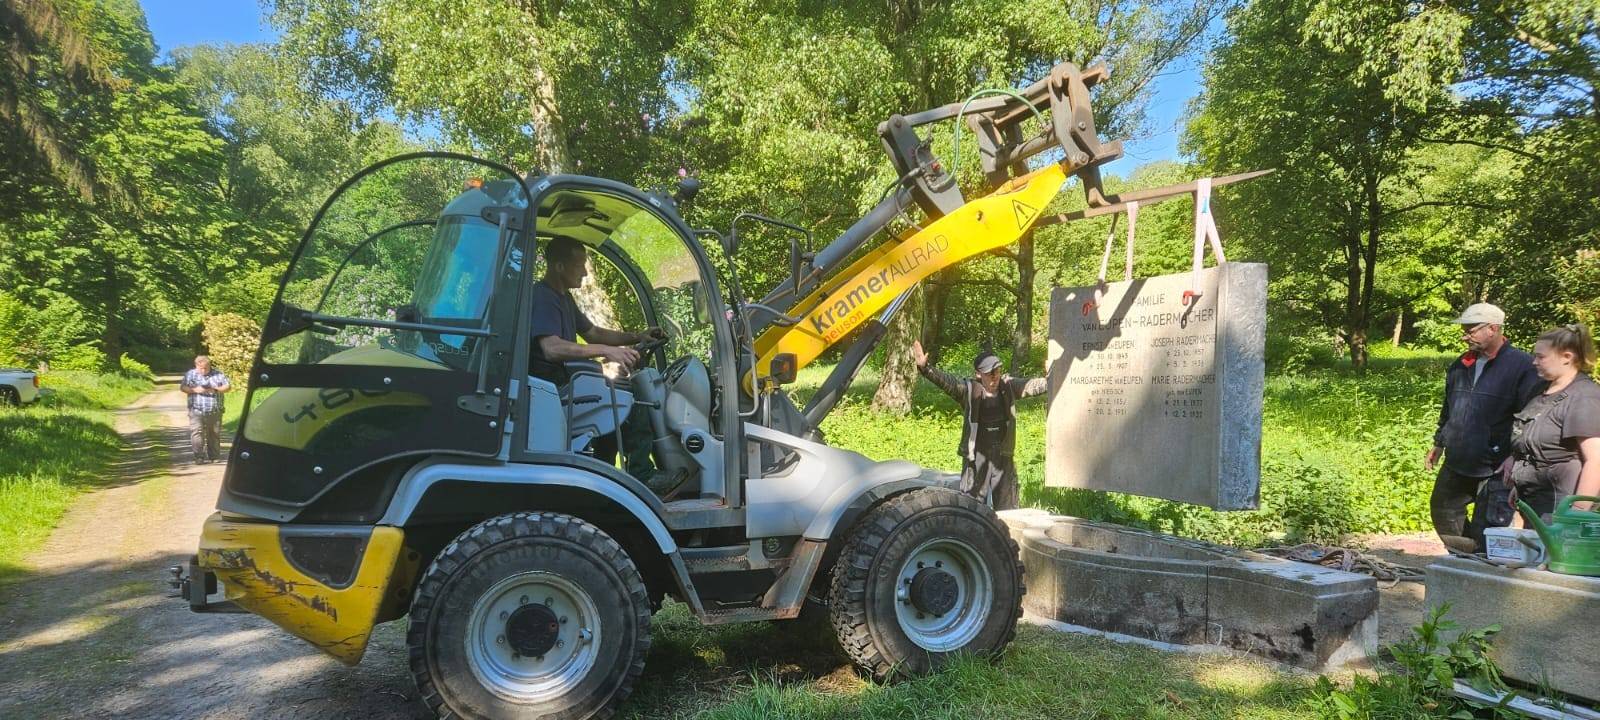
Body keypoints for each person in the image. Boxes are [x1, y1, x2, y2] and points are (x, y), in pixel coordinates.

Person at [529, 236, 664, 471]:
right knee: (632, 403)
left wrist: (637, 336)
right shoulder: (542, 297)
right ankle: (644, 475)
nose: (584, 272)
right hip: (552, 391)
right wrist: (606, 351)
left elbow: (593, 333)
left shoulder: (563, 298)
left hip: (565, 385)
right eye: (579, 265)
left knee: (615, 403)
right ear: (559, 266)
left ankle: (603, 470)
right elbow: (552, 349)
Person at [1425, 303, 1541, 552]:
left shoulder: (1523, 366)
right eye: (1464, 330)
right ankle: (1467, 557)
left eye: (1470, 330)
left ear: (1493, 329)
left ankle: (1482, 568)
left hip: (1497, 465)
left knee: (1487, 525)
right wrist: (1439, 442)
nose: (1464, 336)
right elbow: (1449, 406)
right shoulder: (1460, 364)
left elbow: (1531, 415)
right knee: (1442, 509)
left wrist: (1516, 455)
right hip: (1458, 457)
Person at [912, 340, 1046, 510]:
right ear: (978, 374)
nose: (994, 376)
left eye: (997, 371)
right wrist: (925, 368)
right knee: (972, 506)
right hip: (977, 456)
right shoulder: (969, 391)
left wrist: (1051, 377)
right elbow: (947, 382)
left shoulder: (1009, 386)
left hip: (1003, 454)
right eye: (989, 373)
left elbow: (1032, 386)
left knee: (1008, 507)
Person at [1505, 324, 1600, 517]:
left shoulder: (1584, 397)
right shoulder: (1539, 391)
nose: (1534, 362)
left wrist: (1578, 511)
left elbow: (1596, 460)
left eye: (1541, 357)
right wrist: (1519, 478)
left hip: (1563, 504)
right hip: (1533, 499)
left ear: (1567, 357)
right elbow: (1533, 442)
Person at [181, 355, 231, 465]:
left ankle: (214, 456)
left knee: (214, 433)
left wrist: (216, 389)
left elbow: (228, 387)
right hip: (196, 410)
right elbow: (183, 387)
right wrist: (195, 390)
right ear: (196, 366)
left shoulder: (218, 374)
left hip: (215, 410)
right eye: (201, 368)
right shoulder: (190, 374)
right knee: (197, 433)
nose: (203, 370)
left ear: (210, 365)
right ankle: (199, 457)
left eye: (206, 368)